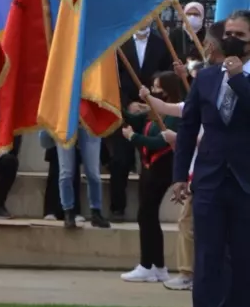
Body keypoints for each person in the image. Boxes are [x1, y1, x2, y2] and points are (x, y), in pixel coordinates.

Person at [172, 10, 250, 307]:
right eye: (228, 32)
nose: (232, 39)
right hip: (209, 179)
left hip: (245, 180)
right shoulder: (205, 78)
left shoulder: (240, 77)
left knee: (243, 256)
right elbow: (188, 128)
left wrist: (237, 79)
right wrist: (179, 176)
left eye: (241, 35)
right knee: (207, 255)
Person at [120, 72, 186, 283]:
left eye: (157, 88)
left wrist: (133, 137)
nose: (153, 91)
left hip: (163, 169)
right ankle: (156, 266)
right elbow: (135, 118)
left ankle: (148, 265)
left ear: (167, 90)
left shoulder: (174, 115)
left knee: (146, 214)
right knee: (146, 215)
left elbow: (160, 142)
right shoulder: (154, 112)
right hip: (149, 168)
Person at [109, 21, 173, 219]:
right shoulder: (119, 43)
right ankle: (117, 207)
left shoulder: (161, 44)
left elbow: (165, 78)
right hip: (124, 110)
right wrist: (127, 103)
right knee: (120, 160)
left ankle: (146, 209)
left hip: (151, 110)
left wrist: (153, 103)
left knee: (148, 162)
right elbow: (112, 77)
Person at [56, 120, 111, 230]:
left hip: (89, 120)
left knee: (93, 173)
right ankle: (68, 212)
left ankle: (96, 212)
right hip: (65, 121)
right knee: (66, 173)